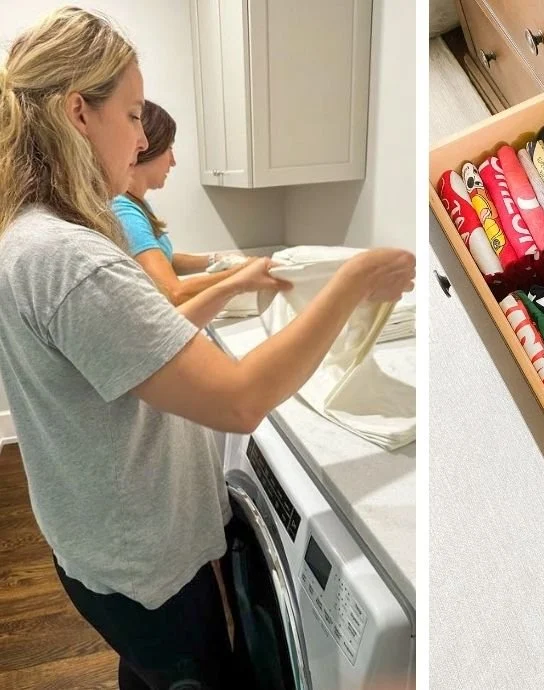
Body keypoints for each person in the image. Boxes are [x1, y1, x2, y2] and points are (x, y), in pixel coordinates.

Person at [0, 7, 414, 690]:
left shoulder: (29, 234)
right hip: (145, 565)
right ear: (79, 112)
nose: (140, 139)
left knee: (151, 673)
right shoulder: (73, 260)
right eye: (133, 115)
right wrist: (355, 279)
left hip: (96, 548)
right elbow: (240, 400)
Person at [113, 99, 244, 304]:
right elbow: (174, 292)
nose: (173, 161)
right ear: (148, 150)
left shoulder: (136, 203)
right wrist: (245, 276)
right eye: (169, 149)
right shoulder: (124, 212)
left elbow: (161, 259)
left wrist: (213, 260)